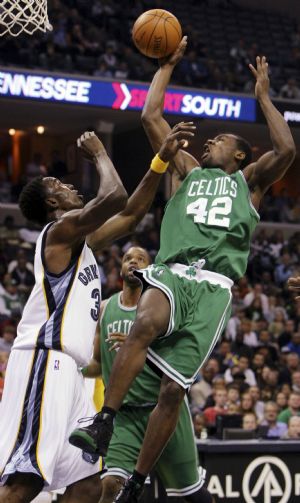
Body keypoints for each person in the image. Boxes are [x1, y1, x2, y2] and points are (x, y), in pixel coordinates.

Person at [70, 37, 296, 502]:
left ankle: (137, 480)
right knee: (146, 323)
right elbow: (151, 115)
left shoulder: (249, 183)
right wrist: (167, 67)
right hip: (173, 270)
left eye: (221, 141)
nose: (210, 141)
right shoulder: (187, 169)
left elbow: (287, 149)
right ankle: (104, 420)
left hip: (214, 287)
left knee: (174, 392)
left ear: (239, 155)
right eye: (209, 140)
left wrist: (264, 98)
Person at [0, 124, 191, 503]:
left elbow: (133, 213)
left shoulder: (80, 242)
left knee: (86, 485)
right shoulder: (59, 232)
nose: (70, 186)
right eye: (59, 185)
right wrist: (101, 153)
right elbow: (115, 195)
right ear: (52, 204)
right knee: (26, 481)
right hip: (45, 361)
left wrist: (160, 161)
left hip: (72, 374)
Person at [83, 246, 211, 503]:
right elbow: (97, 364)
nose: (134, 262)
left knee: (193, 495)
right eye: (128, 258)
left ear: (150, 269)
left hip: (162, 409)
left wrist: (136, 346)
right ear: (120, 268)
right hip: (125, 414)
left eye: (141, 259)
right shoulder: (106, 308)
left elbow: (179, 357)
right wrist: (71, 368)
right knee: (111, 485)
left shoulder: (162, 308)